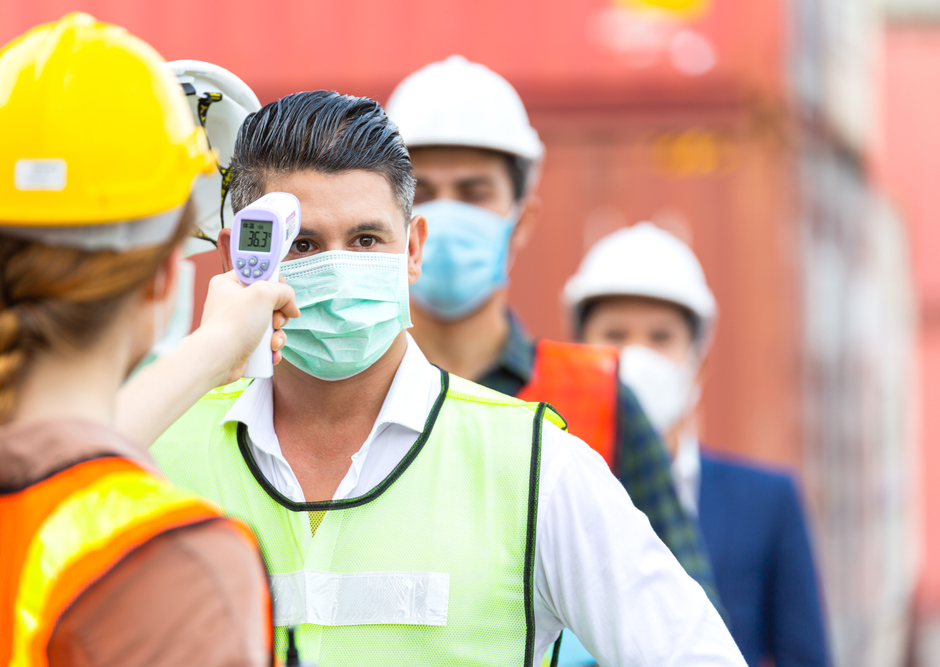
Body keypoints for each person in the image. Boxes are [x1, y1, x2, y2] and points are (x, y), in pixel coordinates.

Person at [152, 90, 746, 667]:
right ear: (239, 258)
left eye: (365, 240)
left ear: (412, 249)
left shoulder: (536, 467)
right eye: (302, 244)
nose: (338, 268)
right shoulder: (156, 457)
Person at [0, 14, 301, 665]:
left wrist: (213, 350)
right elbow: (65, 475)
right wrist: (218, 346)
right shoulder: (173, 564)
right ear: (166, 276)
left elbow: (47, 458)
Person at [383, 55, 722, 612]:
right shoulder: (338, 402)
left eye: (473, 193)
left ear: (523, 222)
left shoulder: (603, 401)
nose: (442, 217)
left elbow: (685, 626)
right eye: (421, 193)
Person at [564, 221, 832, 667]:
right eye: (614, 334)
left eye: (661, 337)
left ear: (699, 361)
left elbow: (804, 655)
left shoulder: (767, 502)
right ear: (578, 351)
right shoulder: (545, 487)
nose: (637, 355)